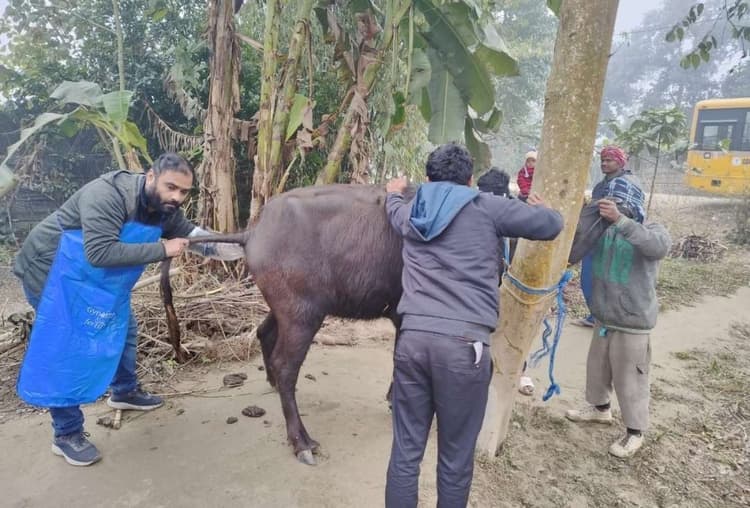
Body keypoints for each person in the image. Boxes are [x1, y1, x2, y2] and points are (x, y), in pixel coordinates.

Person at [13, 152, 241, 467]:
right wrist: (162, 248)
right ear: (151, 177)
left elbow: (194, 238)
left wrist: (242, 247)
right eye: (171, 187)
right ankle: (66, 434)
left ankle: (124, 392)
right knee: (69, 349)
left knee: (123, 328)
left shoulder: (165, 209)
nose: (176, 197)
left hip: (95, 281)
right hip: (52, 273)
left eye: (184, 192)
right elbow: (99, 252)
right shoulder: (107, 195)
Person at [383, 143, 564, 507]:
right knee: (455, 457)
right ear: (470, 180)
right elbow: (551, 226)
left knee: (406, 450)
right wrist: (546, 211)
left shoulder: (412, 209)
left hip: (413, 340)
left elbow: (394, 210)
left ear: (427, 179)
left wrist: (393, 193)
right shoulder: (487, 206)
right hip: (465, 347)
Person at [564, 167, 669, 459]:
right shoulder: (603, 229)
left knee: (629, 377)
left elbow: (657, 248)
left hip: (632, 320)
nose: (613, 208)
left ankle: (635, 432)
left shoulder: (654, 230)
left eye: (619, 203)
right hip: (604, 316)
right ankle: (599, 409)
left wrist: (621, 220)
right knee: (597, 367)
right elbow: (577, 240)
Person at [476, 168, 534, 396]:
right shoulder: (472, 210)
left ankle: (520, 371)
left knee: (512, 326)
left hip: (509, 283)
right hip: (483, 285)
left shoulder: (516, 214)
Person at [573, 146, 645, 328]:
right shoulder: (602, 185)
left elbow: (631, 212)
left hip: (618, 239)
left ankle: (610, 318)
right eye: (602, 160)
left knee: (611, 280)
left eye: (609, 160)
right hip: (597, 238)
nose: (604, 163)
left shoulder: (626, 183)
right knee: (590, 278)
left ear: (620, 162)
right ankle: (596, 316)